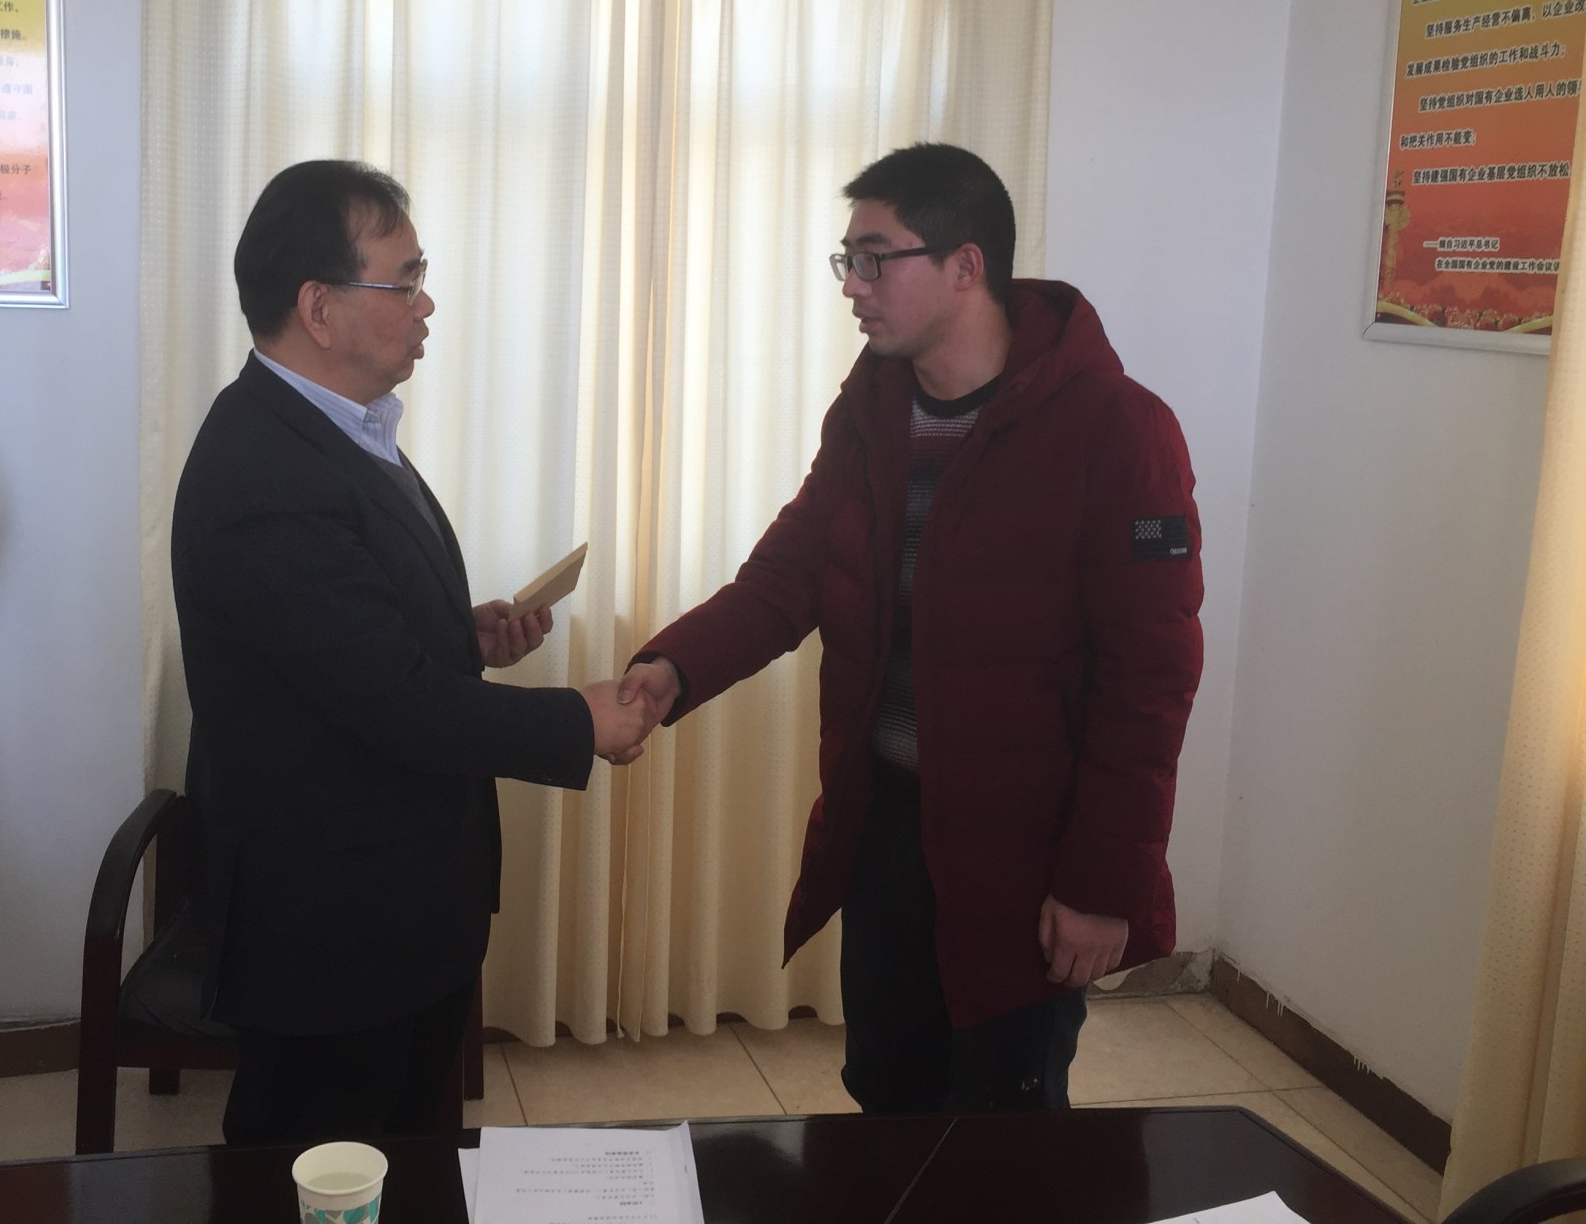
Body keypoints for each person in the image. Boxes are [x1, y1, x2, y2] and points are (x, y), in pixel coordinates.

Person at [618, 142, 1203, 1112]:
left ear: (965, 265)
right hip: (887, 829)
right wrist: (672, 669)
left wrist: (1103, 885)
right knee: (886, 1095)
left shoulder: (1116, 429)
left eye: (874, 259)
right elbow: (791, 573)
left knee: (1001, 1123)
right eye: (846, 259)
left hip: (1025, 854)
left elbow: (1149, 682)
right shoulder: (873, 409)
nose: (852, 284)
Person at [173, 159, 654, 1147]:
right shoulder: (264, 470)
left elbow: (344, 647)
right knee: (317, 1169)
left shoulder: (340, 429)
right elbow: (396, 704)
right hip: (333, 927)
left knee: (402, 1155)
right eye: (404, 280)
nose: (426, 304)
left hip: (401, 901)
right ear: (318, 307)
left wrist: (458, 634)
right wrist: (579, 721)